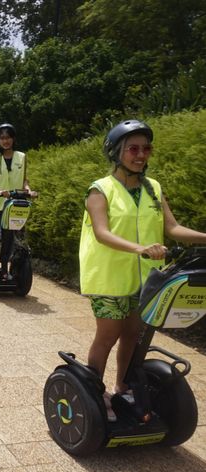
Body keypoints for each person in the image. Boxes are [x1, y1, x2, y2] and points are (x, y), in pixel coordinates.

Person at [80, 119, 206, 421]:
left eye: (145, 148)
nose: (140, 154)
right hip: (108, 277)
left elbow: (172, 228)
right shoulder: (100, 189)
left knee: (134, 335)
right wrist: (139, 248)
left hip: (147, 278)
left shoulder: (153, 189)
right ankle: (94, 394)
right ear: (116, 152)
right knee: (107, 336)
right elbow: (101, 232)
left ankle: (123, 385)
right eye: (132, 148)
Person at [0, 123, 36, 280]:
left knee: (10, 238)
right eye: (2, 138)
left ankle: (5, 268)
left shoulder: (21, 157)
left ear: (13, 139)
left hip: (14, 205)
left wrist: (29, 190)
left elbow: (24, 180)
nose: (6, 141)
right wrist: (0, 192)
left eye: (8, 137)